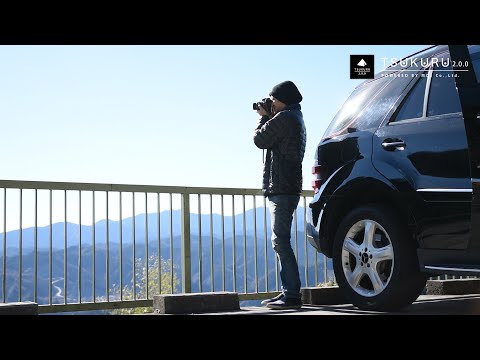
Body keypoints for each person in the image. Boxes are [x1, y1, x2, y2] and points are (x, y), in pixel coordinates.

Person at [253, 80, 306, 310]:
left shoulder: (285, 118)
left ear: (284, 99)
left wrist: (264, 117)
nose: (271, 102)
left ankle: (292, 295)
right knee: (281, 241)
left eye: (274, 99)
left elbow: (259, 140)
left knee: (281, 241)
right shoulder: (295, 117)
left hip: (282, 187)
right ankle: (288, 292)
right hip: (287, 186)